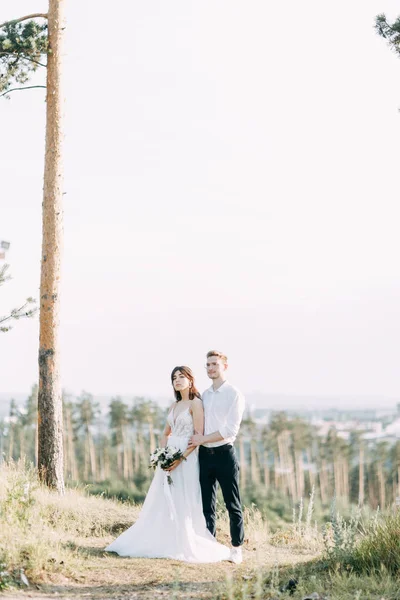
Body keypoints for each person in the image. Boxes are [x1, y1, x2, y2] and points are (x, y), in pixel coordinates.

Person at [105, 366, 230, 563]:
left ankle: (184, 539)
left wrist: (179, 458)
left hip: (186, 457)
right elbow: (165, 434)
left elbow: (198, 436)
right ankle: (161, 537)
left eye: (181, 376)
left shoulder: (196, 404)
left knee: (183, 496)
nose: (177, 380)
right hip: (169, 455)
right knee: (163, 497)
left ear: (190, 380)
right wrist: (163, 454)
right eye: (174, 378)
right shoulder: (174, 405)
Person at [188, 350, 245, 564]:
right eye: (208, 365)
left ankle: (237, 548)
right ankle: (209, 545)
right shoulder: (206, 394)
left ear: (224, 367)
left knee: (232, 503)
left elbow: (230, 429)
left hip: (224, 454)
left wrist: (202, 439)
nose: (210, 368)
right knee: (206, 504)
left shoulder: (234, 394)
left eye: (214, 364)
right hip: (205, 456)